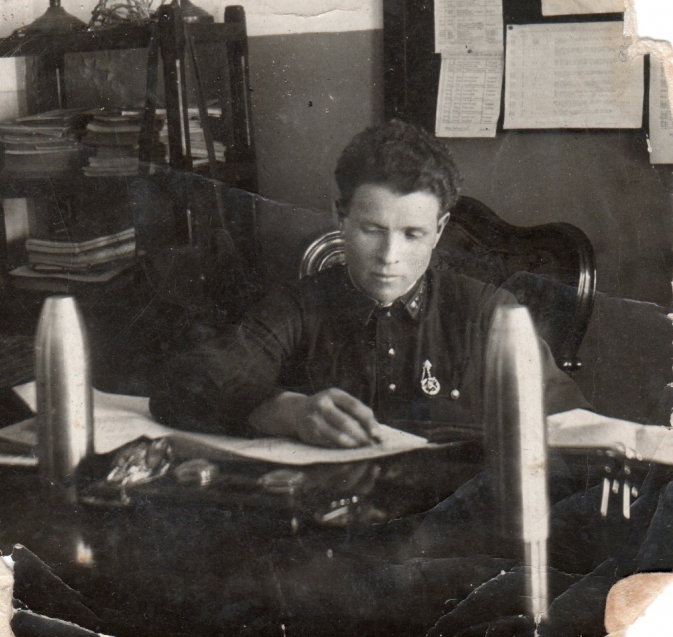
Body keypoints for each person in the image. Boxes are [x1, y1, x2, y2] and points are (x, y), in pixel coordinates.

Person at [151, 119, 588, 443]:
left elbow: (573, 424)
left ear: (439, 230)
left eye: (412, 234)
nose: (389, 256)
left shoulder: (489, 313)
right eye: (372, 230)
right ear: (340, 217)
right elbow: (183, 383)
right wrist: (285, 411)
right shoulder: (299, 307)